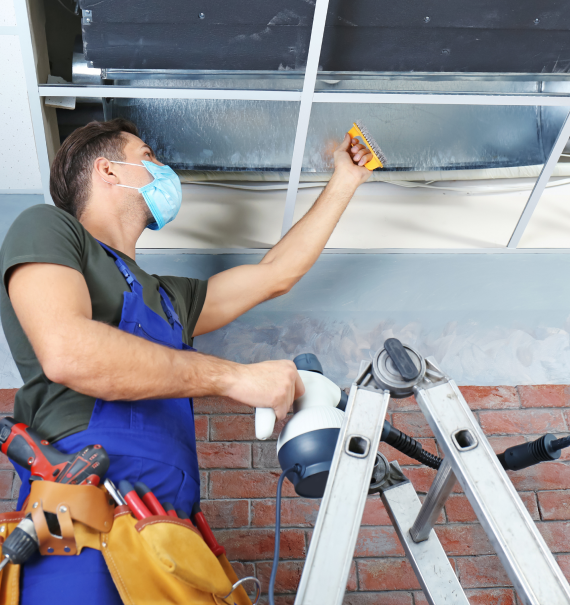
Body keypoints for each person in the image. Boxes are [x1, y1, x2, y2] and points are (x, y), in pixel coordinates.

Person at [0, 118, 373, 604]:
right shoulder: (49, 227)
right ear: (108, 170)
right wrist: (232, 377)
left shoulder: (170, 298)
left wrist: (346, 178)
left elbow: (276, 274)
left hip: (171, 530)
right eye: (149, 156)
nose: (163, 169)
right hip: (79, 513)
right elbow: (69, 352)